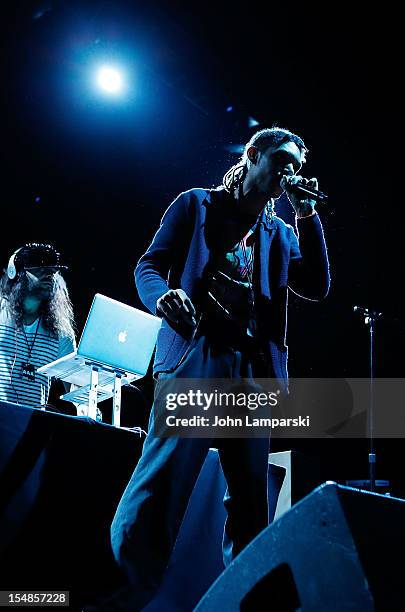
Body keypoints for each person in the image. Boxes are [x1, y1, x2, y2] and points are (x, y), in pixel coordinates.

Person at [111, 127, 330, 607]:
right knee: (163, 485)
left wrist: (308, 214)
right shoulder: (196, 204)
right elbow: (150, 265)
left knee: (253, 500)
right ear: (253, 156)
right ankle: (127, 591)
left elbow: (316, 285)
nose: (289, 173)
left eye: (296, 166)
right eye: (281, 161)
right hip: (197, 356)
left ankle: (248, 601)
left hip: (253, 369)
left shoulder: (281, 231)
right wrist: (161, 297)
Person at [0, 242, 76, 409]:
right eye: (40, 270)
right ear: (16, 273)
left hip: (32, 428)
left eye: (52, 272)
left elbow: (76, 387)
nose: (49, 276)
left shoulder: (62, 332)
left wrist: (87, 405)